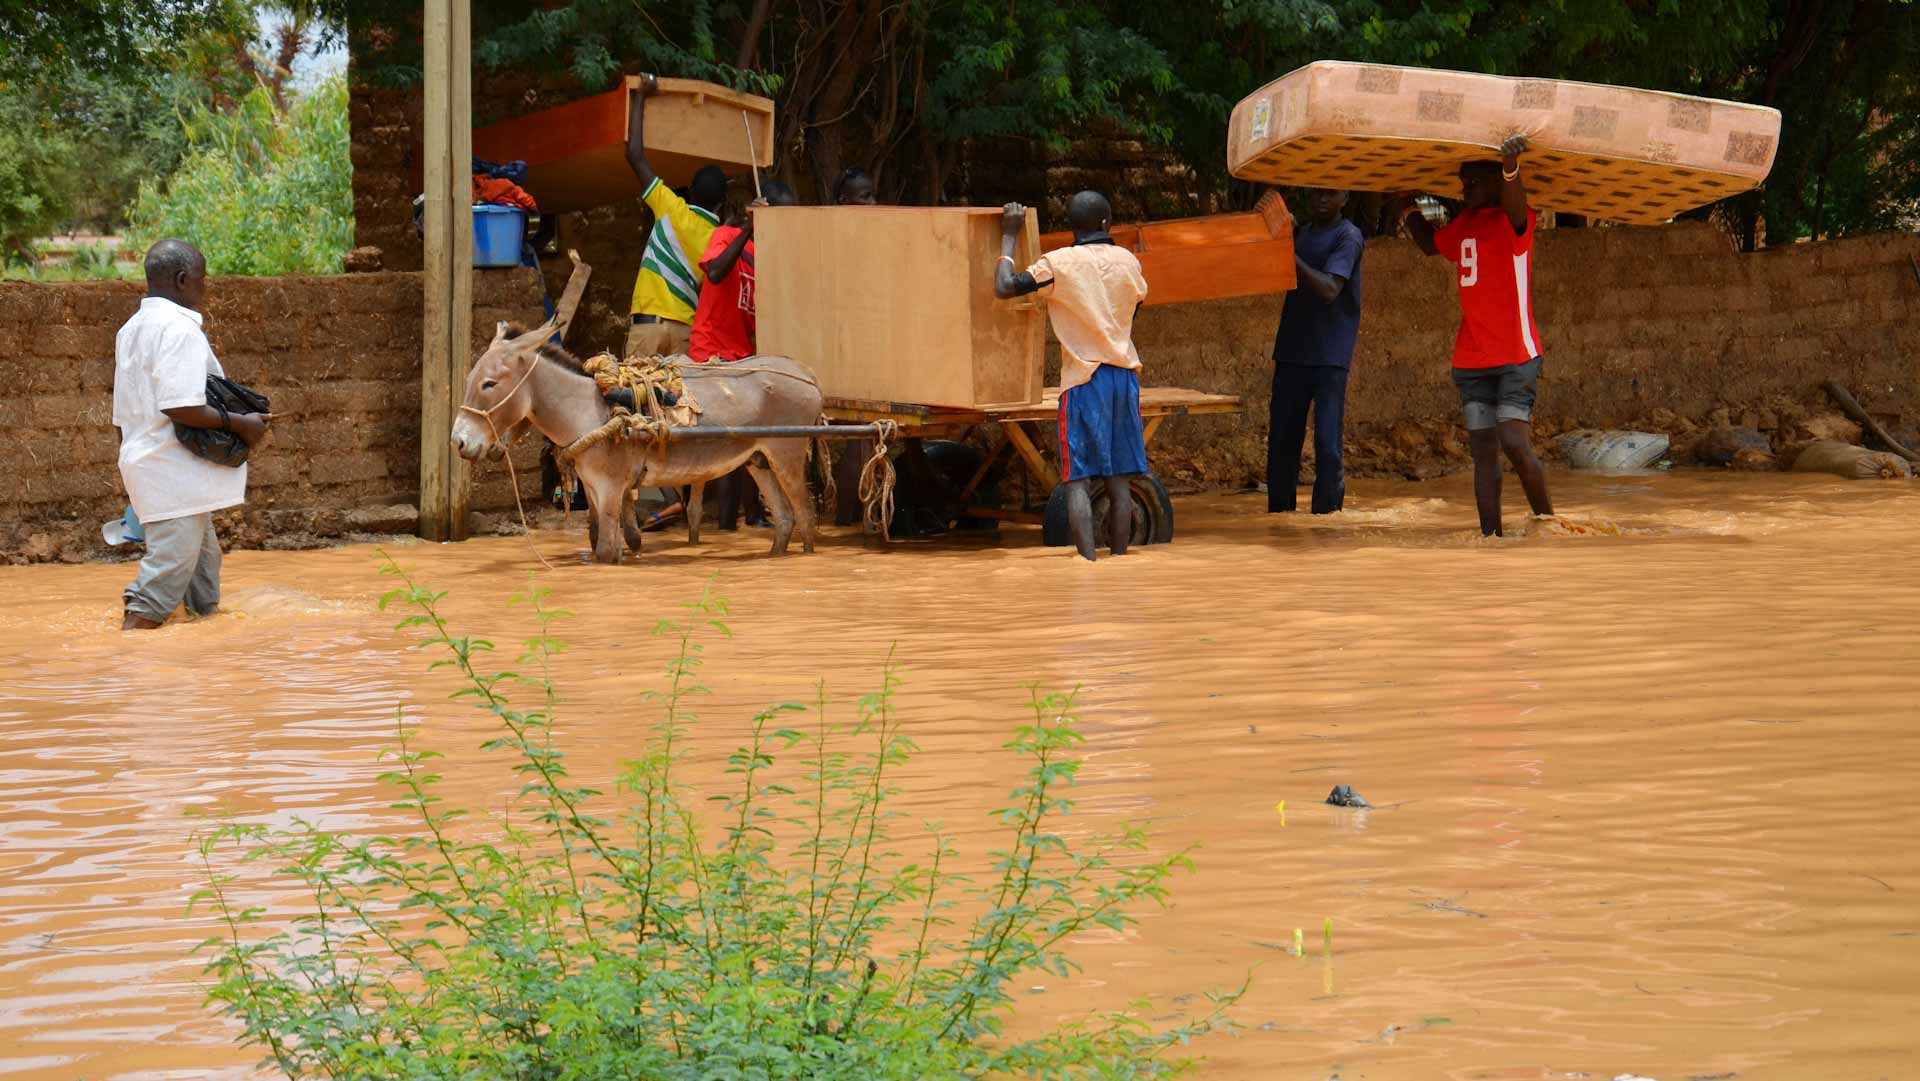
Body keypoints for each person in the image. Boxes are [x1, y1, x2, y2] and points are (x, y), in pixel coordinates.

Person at [1399, 135, 1555, 536]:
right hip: (1470, 360)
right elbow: (1430, 246)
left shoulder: (1516, 221)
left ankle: (1548, 525)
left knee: (1514, 442)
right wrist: (1406, 204)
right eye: (1462, 183)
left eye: (1473, 183)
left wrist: (1510, 166)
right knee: (1484, 453)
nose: (1463, 189)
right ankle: (1491, 539)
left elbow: (1516, 201)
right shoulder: (1464, 224)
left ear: (1496, 183)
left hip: (1516, 355)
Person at [112, 239, 270, 630]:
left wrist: (138, 486)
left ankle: (202, 653)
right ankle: (127, 655)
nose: (206, 288)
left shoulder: (133, 328)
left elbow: (127, 414)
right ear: (183, 280)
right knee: (162, 581)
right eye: (202, 279)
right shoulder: (178, 330)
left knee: (202, 575)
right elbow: (179, 405)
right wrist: (241, 424)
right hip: (171, 473)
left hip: (156, 468)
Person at [993, 191, 1149, 561]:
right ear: (1106, 223)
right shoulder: (1129, 261)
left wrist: (1008, 236)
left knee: (1077, 479)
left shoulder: (1058, 264)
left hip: (1083, 381)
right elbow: (1134, 309)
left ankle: (1087, 568)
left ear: (1072, 227)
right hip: (1124, 377)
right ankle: (1121, 564)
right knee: (1120, 478)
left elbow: (1004, 287)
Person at [692, 178, 800, 528]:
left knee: (747, 441)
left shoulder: (765, 254)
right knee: (729, 441)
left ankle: (750, 517)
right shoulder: (725, 235)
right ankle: (726, 525)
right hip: (713, 353)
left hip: (744, 356)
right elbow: (716, 271)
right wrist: (747, 230)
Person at [1269, 187, 1363, 514]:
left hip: (1329, 355)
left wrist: (1288, 253)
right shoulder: (1302, 234)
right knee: (1282, 443)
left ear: (1345, 198)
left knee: (1327, 444)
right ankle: (1280, 518)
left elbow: (1329, 288)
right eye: (1316, 193)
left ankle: (1327, 518)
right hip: (1292, 351)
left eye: (1331, 194)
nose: (1321, 199)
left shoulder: (1348, 236)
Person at [623, 74, 727, 361]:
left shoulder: (671, 207)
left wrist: (642, 95)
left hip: (649, 328)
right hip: (685, 332)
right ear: (721, 203)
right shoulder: (719, 239)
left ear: (690, 190)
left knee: (635, 402)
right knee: (678, 405)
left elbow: (634, 155)